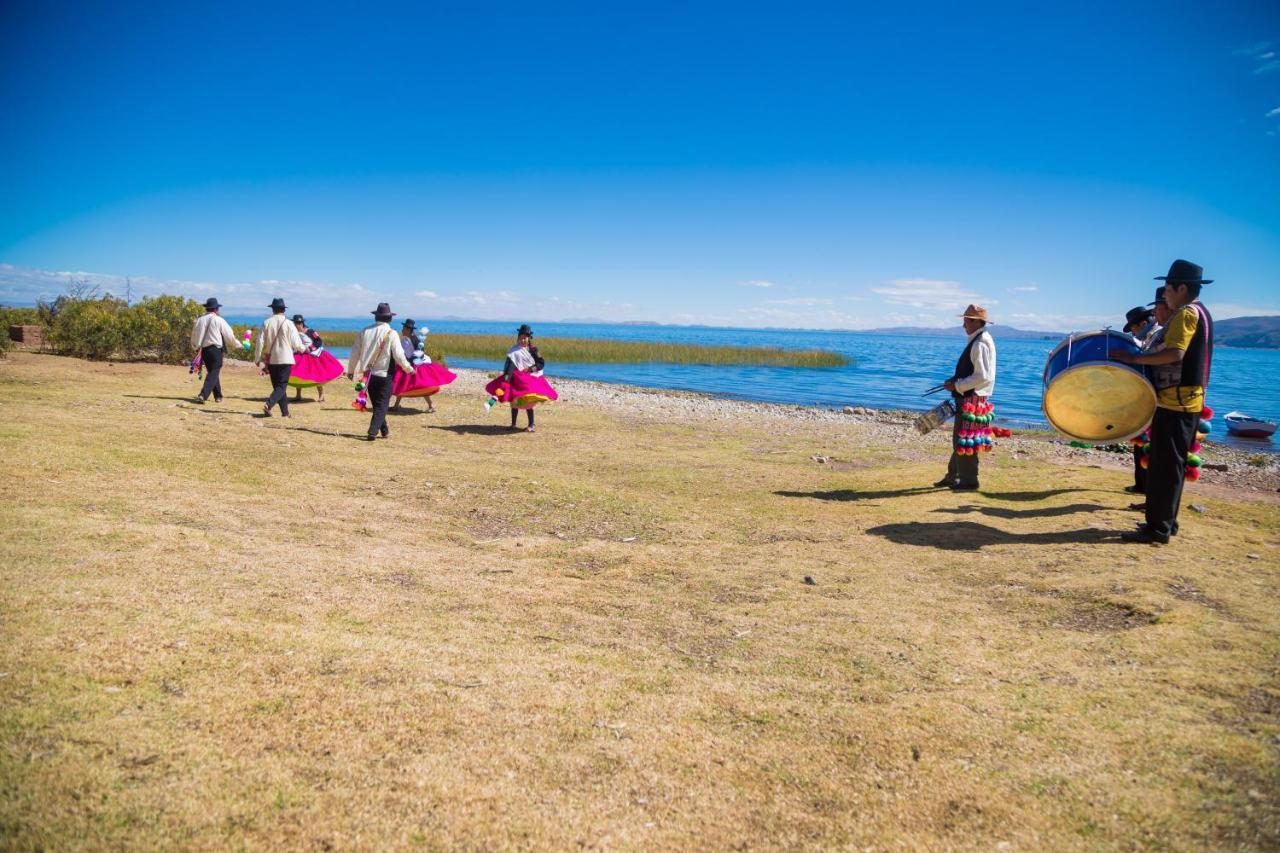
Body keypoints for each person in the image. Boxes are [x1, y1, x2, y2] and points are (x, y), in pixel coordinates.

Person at [1111, 260, 1214, 544]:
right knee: (1172, 466)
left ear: (1182, 288)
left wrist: (1133, 359)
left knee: (1163, 468)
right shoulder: (1202, 313)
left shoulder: (1185, 314)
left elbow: (1174, 353)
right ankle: (1167, 522)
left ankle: (1157, 529)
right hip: (1186, 401)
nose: (1164, 295)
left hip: (1175, 402)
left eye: (1168, 289)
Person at [934, 305, 997, 491]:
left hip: (973, 398)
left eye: (967, 321)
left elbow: (982, 376)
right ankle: (952, 476)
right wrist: (955, 381)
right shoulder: (980, 339)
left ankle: (969, 481)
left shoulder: (979, 343)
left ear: (977, 322)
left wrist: (957, 385)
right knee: (963, 439)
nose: (963, 325)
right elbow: (977, 373)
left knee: (964, 440)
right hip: (975, 397)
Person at [347, 302, 414, 441]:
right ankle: (372, 431)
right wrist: (409, 369)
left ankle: (384, 430)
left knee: (378, 404)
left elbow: (355, 352)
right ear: (389, 318)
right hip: (385, 374)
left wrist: (351, 370)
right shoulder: (392, 333)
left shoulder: (365, 331)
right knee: (382, 405)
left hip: (367, 375)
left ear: (376, 317)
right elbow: (399, 355)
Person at [484, 324, 558, 432]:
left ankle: (531, 425)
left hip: (529, 379)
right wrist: (505, 381)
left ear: (529, 338)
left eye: (525, 338)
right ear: (518, 338)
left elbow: (541, 363)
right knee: (514, 402)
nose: (523, 340)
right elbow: (509, 367)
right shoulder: (514, 350)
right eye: (521, 338)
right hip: (515, 379)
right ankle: (513, 424)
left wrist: (530, 369)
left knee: (528, 401)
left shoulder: (533, 350)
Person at [1122, 303, 1158, 494]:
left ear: (1144, 322)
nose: (1134, 332)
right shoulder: (1147, 338)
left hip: (1155, 396)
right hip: (1146, 395)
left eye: (1135, 327)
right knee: (1140, 442)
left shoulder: (1156, 335)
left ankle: (1145, 486)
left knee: (1146, 443)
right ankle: (1141, 484)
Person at [253, 297, 307, 417]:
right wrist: (304, 349)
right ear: (284, 310)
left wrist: (257, 358)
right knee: (281, 386)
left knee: (278, 387)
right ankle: (269, 404)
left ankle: (285, 413)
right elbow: (296, 342)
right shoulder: (289, 324)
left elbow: (259, 341)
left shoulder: (266, 322)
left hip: (271, 359)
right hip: (286, 359)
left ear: (273, 309)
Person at [391, 319, 456, 412]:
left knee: (420, 386)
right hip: (408, 364)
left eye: (403, 328)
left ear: (408, 330)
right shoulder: (405, 339)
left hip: (415, 365)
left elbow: (420, 353)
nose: (402, 330)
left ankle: (431, 405)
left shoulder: (415, 340)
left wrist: (410, 362)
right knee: (403, 384)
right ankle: (397, 405)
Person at [188, 297, 239, 404]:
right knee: (214, 371)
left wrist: (195, 347)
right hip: (215, 350)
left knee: (212, 372)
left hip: (203, 350)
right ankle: (203, 394)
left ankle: (218, 396)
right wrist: (237, 344)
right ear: (216, 309)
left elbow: (193, 335)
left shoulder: (199, 320)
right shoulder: (218, 319)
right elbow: (229, 334)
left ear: (207, 308)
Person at [288, 314, 343, 403]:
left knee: (318, 374)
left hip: (313, 355)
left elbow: (319, 341)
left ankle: (321, 396)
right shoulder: (295, 333)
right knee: (299, 373)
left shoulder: (310, 331)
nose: (295, 325)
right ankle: (298, 395)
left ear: (301, 324)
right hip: (301, 354)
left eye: (296, 324)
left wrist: (310, 348)